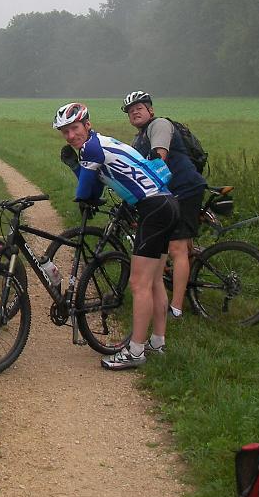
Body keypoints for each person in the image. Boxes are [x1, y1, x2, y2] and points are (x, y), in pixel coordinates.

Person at [54, 102, 179, 369]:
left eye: (74, 128)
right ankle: (158, 343)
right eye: (65, 132)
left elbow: (86, 191)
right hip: (166, 204)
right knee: (155, 281)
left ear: (87, 125)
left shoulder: (91, 148)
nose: (70, 136)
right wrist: (79, 172)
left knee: (139, 283)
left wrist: (81, 192)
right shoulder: (99, 143)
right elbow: (95, 187)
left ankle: (135, 351)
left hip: (153, 208)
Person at [122, 90, 207, 319]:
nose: (134, 112)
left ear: (150, 110)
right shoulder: (138, 138)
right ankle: (185, 285)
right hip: (170, 193)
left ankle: (176, 309)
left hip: (185, 189)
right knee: (178, 247)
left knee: (177, 248)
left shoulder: (158, 125)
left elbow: (159, 160)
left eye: (139, 108)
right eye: (130, 111)